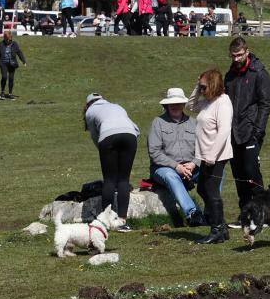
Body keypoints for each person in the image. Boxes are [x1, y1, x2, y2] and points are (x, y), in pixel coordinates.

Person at [224, 36, 270, 228]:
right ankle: (245, 215)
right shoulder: (230, 75)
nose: (236, 59)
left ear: (247, 51)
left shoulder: (259, 73)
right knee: (239, 175)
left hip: (251, 130)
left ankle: (263, 213)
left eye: (239, 55)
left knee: (252, 173)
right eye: (233, 56)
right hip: (233, 132)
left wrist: (258, 130)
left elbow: (265, 103)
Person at [186, 69, 233, 244]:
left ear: (213, 85)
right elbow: (190, 106)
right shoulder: (207, 102)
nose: (202, 89)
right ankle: (221, 224)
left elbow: (224, 131)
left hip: (217, 155)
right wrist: (196, 88)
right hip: (205, 154)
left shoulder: (223, 103)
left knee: (211, 190)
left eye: (204, 86)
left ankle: (217, 230)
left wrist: (212, 155)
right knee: (202, 189)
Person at [148, 88, 206, 227]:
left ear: (183, 104)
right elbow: (154, 152)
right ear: (166, 105)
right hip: (165, 168)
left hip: (191, 167)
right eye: (172, 103)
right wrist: (177, 166)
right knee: (170, 175)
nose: (175, 106)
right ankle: (192, 214)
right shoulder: (158, 122)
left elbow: (203, 148)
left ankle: (211, 213)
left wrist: (194, 163)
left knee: (214, 172)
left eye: (179, 103)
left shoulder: (194, 122)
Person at [83, 93, 139, 232]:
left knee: (109, 180)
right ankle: (122, 222)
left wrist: (102, 149)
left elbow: (95, 135)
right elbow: (136, 129)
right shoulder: (116, 106)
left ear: (88, 104)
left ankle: (105, 221)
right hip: (130, 136)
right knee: (123, 180)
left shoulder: (90, 111)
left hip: (107, 137)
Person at [0, 32, 26, 100]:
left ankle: (10, 93)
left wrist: (23, 61)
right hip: (3, 63)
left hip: (12, 63)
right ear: (5, 38)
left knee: (11, 78)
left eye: (9, 39)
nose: (8, 41)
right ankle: (2, 93)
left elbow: (19, 52)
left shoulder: (14, 44)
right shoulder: (0, 44)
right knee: (4, 77)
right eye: (7, 39)